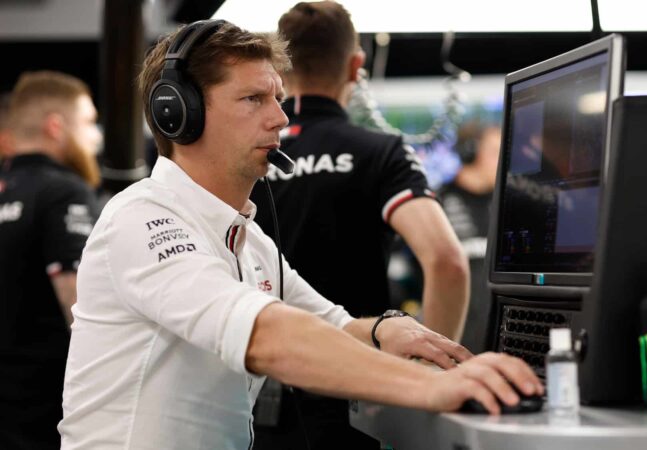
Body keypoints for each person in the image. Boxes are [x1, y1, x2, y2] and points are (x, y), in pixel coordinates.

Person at [58, 20, 542, 450]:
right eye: (253, 100)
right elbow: (266, 335)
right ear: (178, 114)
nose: (280, 119)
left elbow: (332, 323)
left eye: (278, 99)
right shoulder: (141, 218)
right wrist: (432, 389)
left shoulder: (251, 241)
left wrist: (383, 330)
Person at [250, 2, 470, 448]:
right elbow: (447, 261)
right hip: (357, 393)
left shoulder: (248, 156)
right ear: (356, 66)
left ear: (278, 68)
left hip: (255, 395)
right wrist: (426, 376)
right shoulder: (379, 151)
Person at [0, 71, 101, 450]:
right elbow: (77, 303)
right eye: (89, 122)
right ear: (56, 127)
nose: (97, 136)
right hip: (45, 409)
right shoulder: (64, 191)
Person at [438, 121, 502, 354]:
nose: (503, 161)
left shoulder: (509, 203)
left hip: (501, 334)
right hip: (453, 339)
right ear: (470, 152)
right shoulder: (436, 203)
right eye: (495, 152)